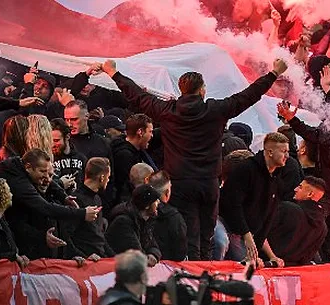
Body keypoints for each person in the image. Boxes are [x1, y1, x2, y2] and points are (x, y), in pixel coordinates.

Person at [101, 57, 288, 260]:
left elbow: (137, 96)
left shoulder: (167, 111)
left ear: (182, 90)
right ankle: (204, 277)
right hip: (208, 183)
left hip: (180, 183)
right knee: (206, 238)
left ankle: (191, 277)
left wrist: (114, 73)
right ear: (202, 91)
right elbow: (247, 96)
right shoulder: (216, 110)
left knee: (187, 236)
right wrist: (273, 74)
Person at [277, 62, 330, 262]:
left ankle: (324, 270)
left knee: (324, 238)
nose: (323, 108)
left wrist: (292, 120)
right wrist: (327, 85)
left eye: (327, 103)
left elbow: (318, 137)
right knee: (329, 240)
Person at [0, 148, 100, 258]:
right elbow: (44, 207)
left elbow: (49, 181)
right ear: (28, 168)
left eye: (50, 174)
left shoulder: (20, 166)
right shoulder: (19, 183)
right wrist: (82, 213)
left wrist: (63, 196)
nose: (47, 179)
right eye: (43, 172)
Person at [219, 133, 290, 267]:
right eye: (283, 151)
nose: (287, 156)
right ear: (270, 152)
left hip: (248, 235)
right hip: (231, 228)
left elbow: (267, 218)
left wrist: (265, 253)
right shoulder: (246, 169)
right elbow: (233, 205)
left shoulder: (277, 179)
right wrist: (246, 235)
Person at [267, 176, 327, 266]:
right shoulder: (323, 227)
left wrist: (271, 256)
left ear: (310, 194)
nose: (295, 189)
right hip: (294, 273)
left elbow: (262, 233)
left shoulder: (287, 208)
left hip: (268, 265)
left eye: (300, 187)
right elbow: (307, 258)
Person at [64, 157, 115, 260]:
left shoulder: (97, 199)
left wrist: (115, 258)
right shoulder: (75, 200)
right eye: (108, 177)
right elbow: (66, 235)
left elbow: (99, 236)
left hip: (99, 259)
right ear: (102, 177)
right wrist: (84, 257)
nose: (108, 180)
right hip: (85, 263)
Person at [106, 184, 162, 266]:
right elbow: (137, 254)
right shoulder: (123, 222)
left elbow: (152, 244)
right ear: (147, 206)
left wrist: (153, 254)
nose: (159, 202)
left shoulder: (145, 220)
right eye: (155, 200)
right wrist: (147, 258)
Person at [112, 114, 158, 204]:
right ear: (140, 132)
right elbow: (123, 187)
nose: (152, 136)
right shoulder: (124, 156)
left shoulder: (137, 150)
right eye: (150, 132)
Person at [148, 170, 187, 261]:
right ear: (167, 192)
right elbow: (180, 253)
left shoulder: (137, 210)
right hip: (168, 268)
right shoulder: (174, 218)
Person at [50, 118, 87, 193]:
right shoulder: (47, 160)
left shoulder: (81, 159)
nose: (52, 144)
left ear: (67, 137)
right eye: (50, 140)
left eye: (56, 140)